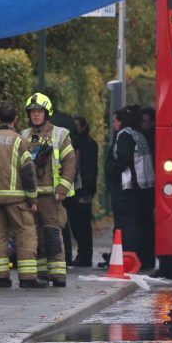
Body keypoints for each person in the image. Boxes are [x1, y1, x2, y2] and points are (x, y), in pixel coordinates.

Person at [0, 102, 44, 288]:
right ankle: (28, 278)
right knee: (25, 233)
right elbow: (28, 171)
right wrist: (32, 198)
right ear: (16, 119)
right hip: (16, 199)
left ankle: (1, 278)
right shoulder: (20, 141)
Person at [22, 93, 76, 287]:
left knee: (52, 233)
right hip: (31, 195)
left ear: (47, 113)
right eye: (32, 112)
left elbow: (70, 162)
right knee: (35, 236)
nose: (36, 115)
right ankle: (42, 274)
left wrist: (63, 187)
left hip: (52, 195)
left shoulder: (59, 134)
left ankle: (58, 276)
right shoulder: (24, 135)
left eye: (39, 111)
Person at [106, 105, 156, 268]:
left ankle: (127, 260)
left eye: (114, 121)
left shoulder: (125, 135)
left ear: (120, 122)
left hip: (127, 189)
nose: (113, 125)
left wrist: (111, 171)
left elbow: (123, 159)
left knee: (126, 225)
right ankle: (145, 259)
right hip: (144, 188)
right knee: (143, 225)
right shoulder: (139, 134)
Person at [66, 116, 98, 267]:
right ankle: (83, 255)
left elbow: (89, 169)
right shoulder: (83, 143)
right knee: (78, 224)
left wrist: (87, 191)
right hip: (78, 188)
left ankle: (85, 256)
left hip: (81, 189)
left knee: (82, 225)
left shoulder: (86, 144)